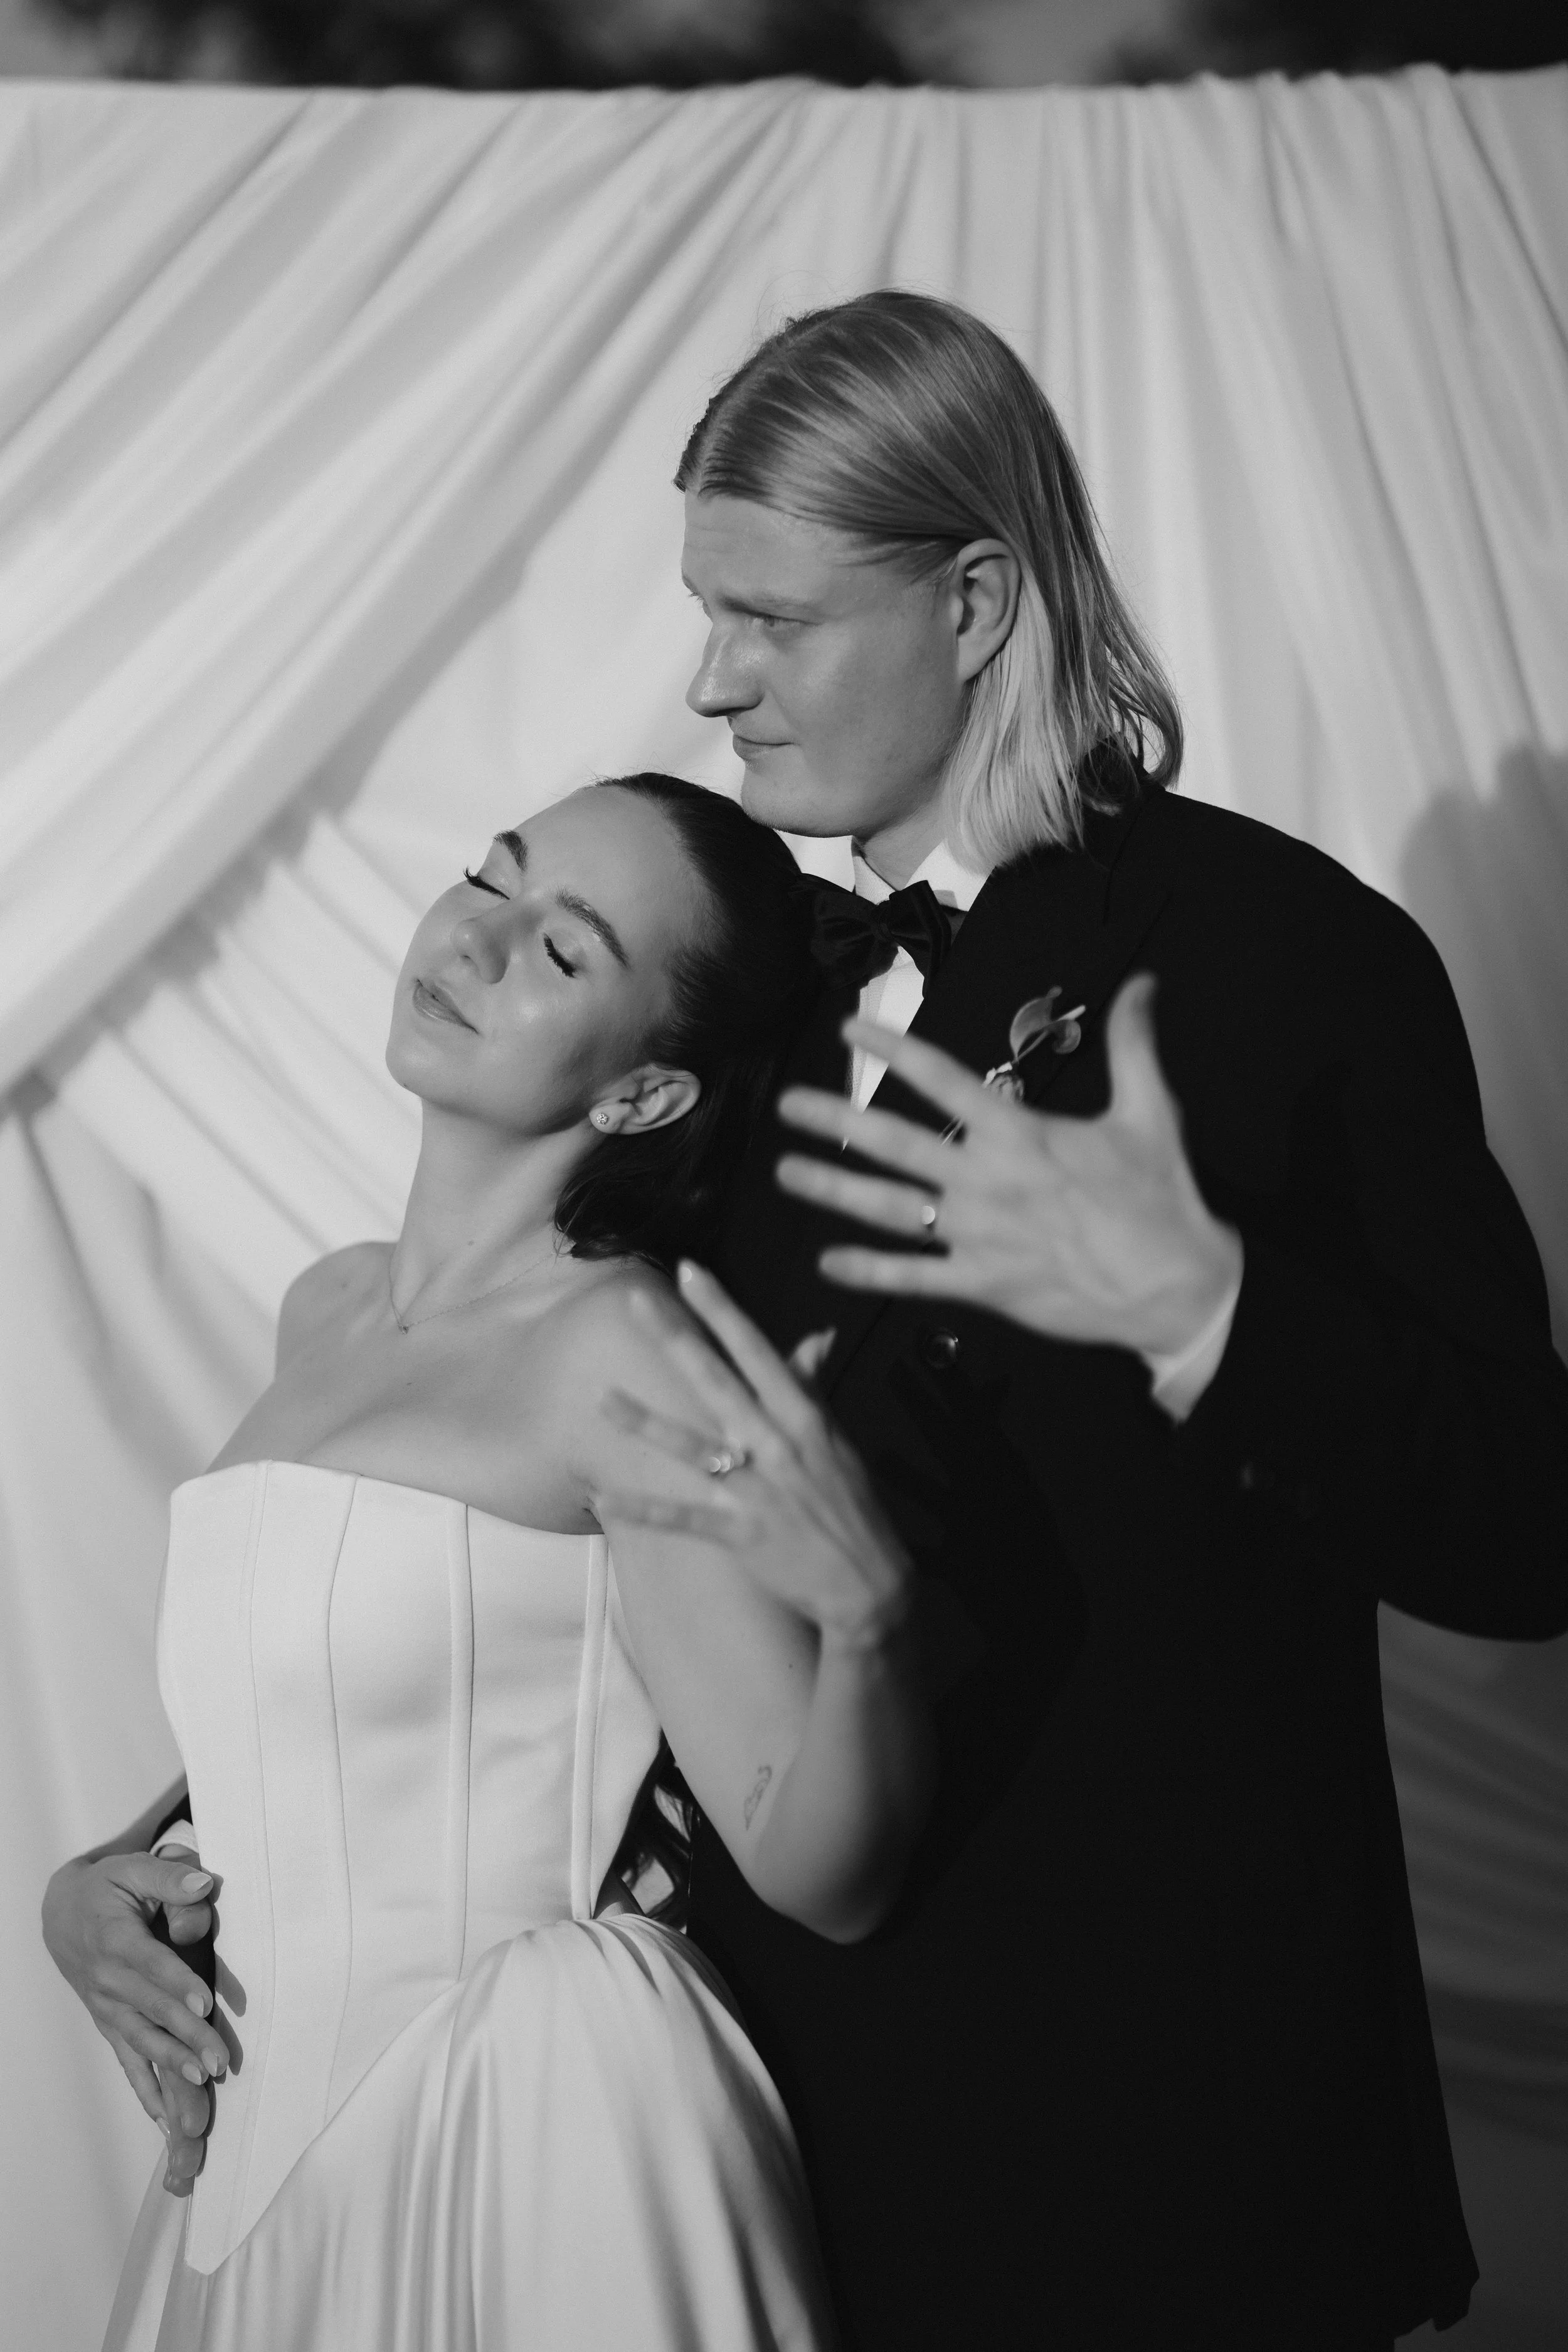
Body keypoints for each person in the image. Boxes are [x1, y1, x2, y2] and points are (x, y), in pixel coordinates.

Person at [607, 291, 1568, 2351]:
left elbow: (1526, 1524)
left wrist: (1207, 1308)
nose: (711, 681)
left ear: (973, 601)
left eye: (771, 619)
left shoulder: (1282, 956)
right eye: (707, 611)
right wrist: (201, 1843)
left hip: (1172, 2172)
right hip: (762, 2176)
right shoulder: (730, 979)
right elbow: (566, 1433)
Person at [45, 771, 934, 2349]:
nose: (475, 938)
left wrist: (867, 1628)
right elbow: (320, 1706)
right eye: (488, 876)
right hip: (246, 2191)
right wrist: (84, 1890)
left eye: (564, 947)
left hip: (512, 2142)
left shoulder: (624, 1352)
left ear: (644, 1096)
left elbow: (821, 1866)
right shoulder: (324, 1307)